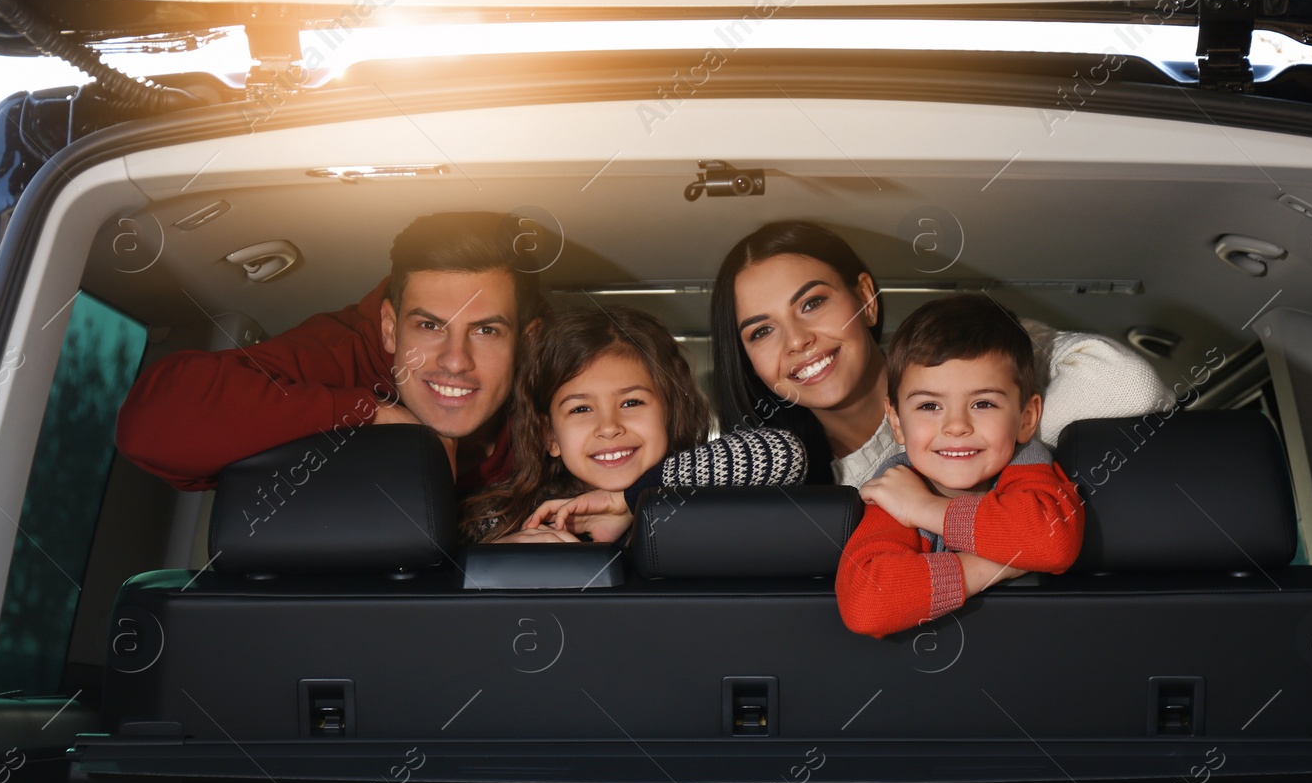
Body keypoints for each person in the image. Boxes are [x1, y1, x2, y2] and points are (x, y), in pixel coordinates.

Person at [710, 220, 1175, 486]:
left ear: (867, 299)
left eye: (812, 304)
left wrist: (995, 432)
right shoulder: (770, 479)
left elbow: (1127, 386)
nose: (796, 341)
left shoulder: (969, 350)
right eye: (761, 331)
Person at [115, 211, 539, 495]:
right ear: (390, 328)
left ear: (526, 343)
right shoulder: (341, 354)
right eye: (429, 326)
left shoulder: (565, 389)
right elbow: (152, 425)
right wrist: (373, 414)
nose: (454, 360)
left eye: (485, 330)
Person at [834, 295, 1085, 637]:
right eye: (929, 406)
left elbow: (1053, 543)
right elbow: (867, 605)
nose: (956, 426)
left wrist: (927, 509)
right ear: (896, 421)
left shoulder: (1029, 466)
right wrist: (996, 566)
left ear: (1026, 418)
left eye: (983, 403)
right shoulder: (897, 489)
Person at [463, 304, 807, 544]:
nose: (609, 427)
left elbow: (784, 454)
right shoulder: (504, 516)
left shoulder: (699, 493)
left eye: (631, 402)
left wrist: (632, 500)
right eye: (581, 409)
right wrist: (500, 557)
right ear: (549, 435)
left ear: (669, 413)